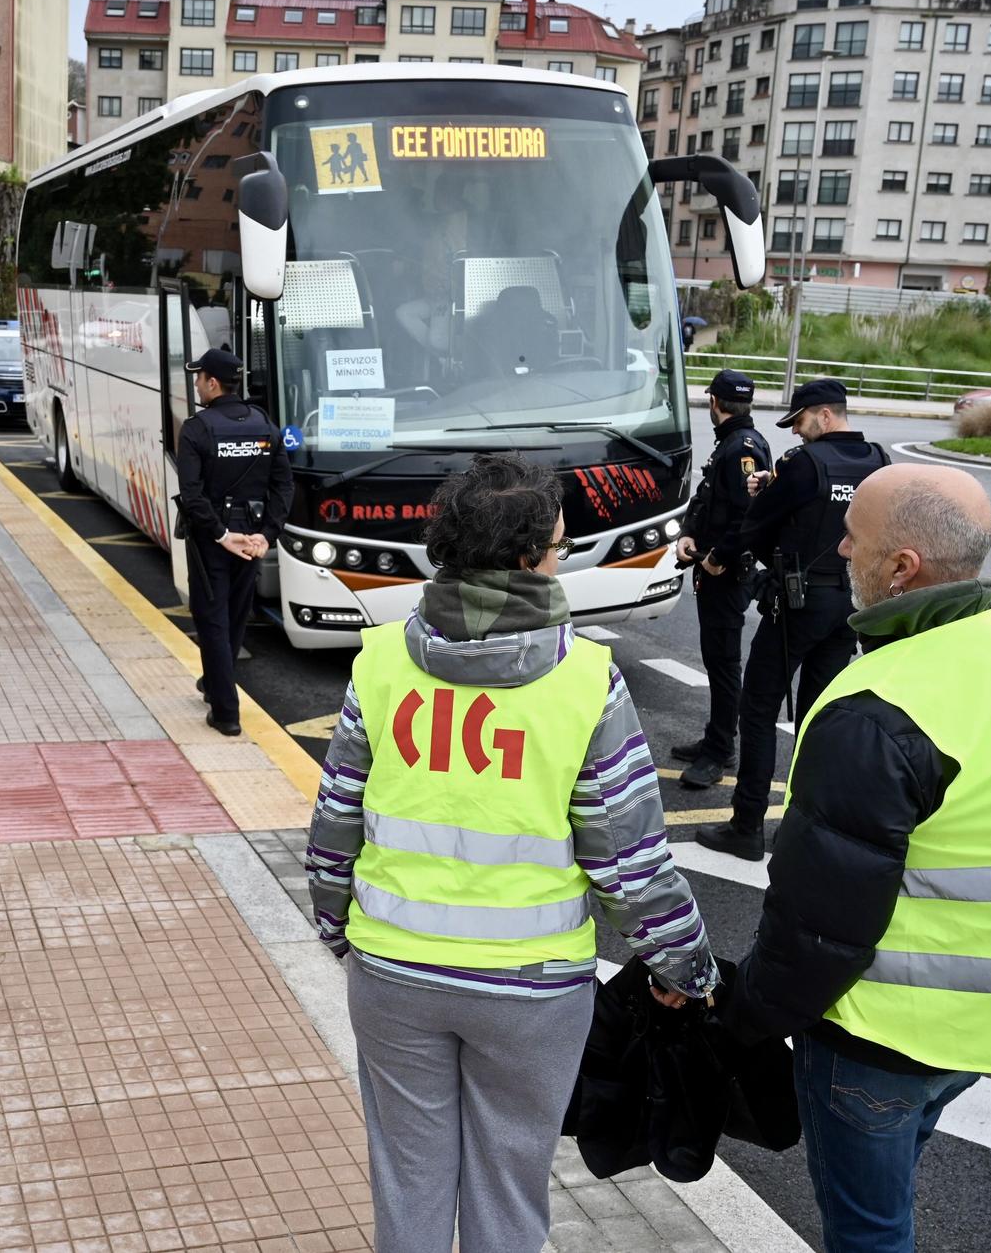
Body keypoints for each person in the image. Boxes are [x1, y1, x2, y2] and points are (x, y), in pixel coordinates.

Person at [720, 464, 991, 1252]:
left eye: (857, 535)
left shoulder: (880, 705)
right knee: (889, 1196)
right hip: (989, 1022)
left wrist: (741, 1016)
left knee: (870, 1234)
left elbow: (820, 923)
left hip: (884, 1033)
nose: (841, 543)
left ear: (901, 567)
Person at [305, 452, 718, 1253]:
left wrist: (336, 931)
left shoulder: (382, 661)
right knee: (510, 1183)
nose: (561, 558)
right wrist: (685, 970)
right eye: (561, 547)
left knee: (408, 1180)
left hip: (394, 974)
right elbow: (630, 861)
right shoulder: (585, 681)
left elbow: (334, 825)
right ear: (532, 560)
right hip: (532, 989)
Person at [696, 378, 891, 861]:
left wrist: (723, 555)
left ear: (825, 416)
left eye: (801, 422)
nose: (798, 433)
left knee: (758, 710)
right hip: (850, 605)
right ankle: (805, 825)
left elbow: (756, 526)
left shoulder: (807, 463)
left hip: (796, 603)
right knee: (815, 718)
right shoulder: (878, 462)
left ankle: (746, 826)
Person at [174, 347, 292, 737]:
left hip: (215, 539)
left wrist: (222, 535)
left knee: (211, 619)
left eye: (199, 378)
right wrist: (266, 535)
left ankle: (225, 713)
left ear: (212, 383)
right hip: (252, 537)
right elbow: (283, 486)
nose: (196, 384)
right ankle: (214, 682)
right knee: (236, 615)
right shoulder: (264, 424)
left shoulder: (197, 428)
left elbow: (191, 495)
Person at [671, 369, 772, 788]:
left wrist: (716, 557)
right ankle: (716, 736)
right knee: (716, 660)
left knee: (725, 664)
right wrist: (688, 532)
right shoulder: (732, 445)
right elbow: (707, 498)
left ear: (714, 402)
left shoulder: (742, 448)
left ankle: (719, 752)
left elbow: (750, 515)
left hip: (727, 573)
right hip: (714, 567)